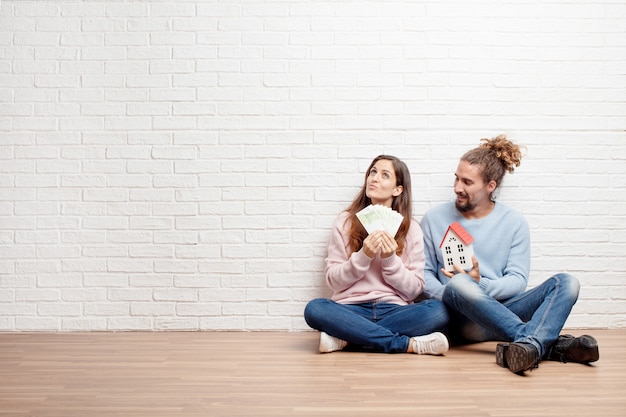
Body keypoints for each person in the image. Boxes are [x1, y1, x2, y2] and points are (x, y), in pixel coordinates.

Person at [420, 135, 599, 374]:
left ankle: (527, 346)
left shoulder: (514, 222)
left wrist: (480, 285)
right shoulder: (434, 218)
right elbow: (424, 273)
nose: (457, 188)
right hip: (461, 317)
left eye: (467, 182)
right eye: (456, 178)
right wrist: (461, 291)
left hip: (506, 312)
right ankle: (545, 344)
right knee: (460, 283)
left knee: (567, 283)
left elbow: (517, 280)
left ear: (490, 186)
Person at [304, 155, 450, 355]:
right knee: (315, 308)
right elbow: (333, 282)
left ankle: (348, 338)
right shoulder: (345, 222)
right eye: (373, 172)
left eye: (384, 175)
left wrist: (390, 259)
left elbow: (414, 290)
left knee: (439, 311)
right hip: (350, 309)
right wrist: (364, 255)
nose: (374, 178)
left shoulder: (411, 229)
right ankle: (408, 345)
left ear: (398, 189)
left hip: (395, 310)